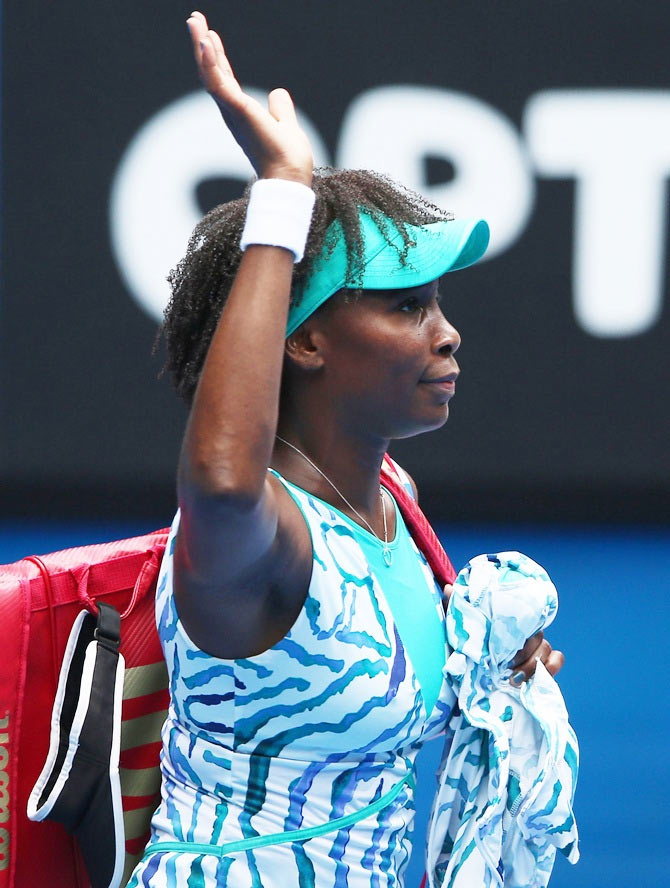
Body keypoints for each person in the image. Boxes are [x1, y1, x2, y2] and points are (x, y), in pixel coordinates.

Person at [127, 11, 564, 887]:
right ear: (305, 341)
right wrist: (284, 193)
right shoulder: (262, 541)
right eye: (407, 307)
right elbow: (217, 478)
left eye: (436, 306)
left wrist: (486, 668)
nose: (447, 335)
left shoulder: (390, 500)